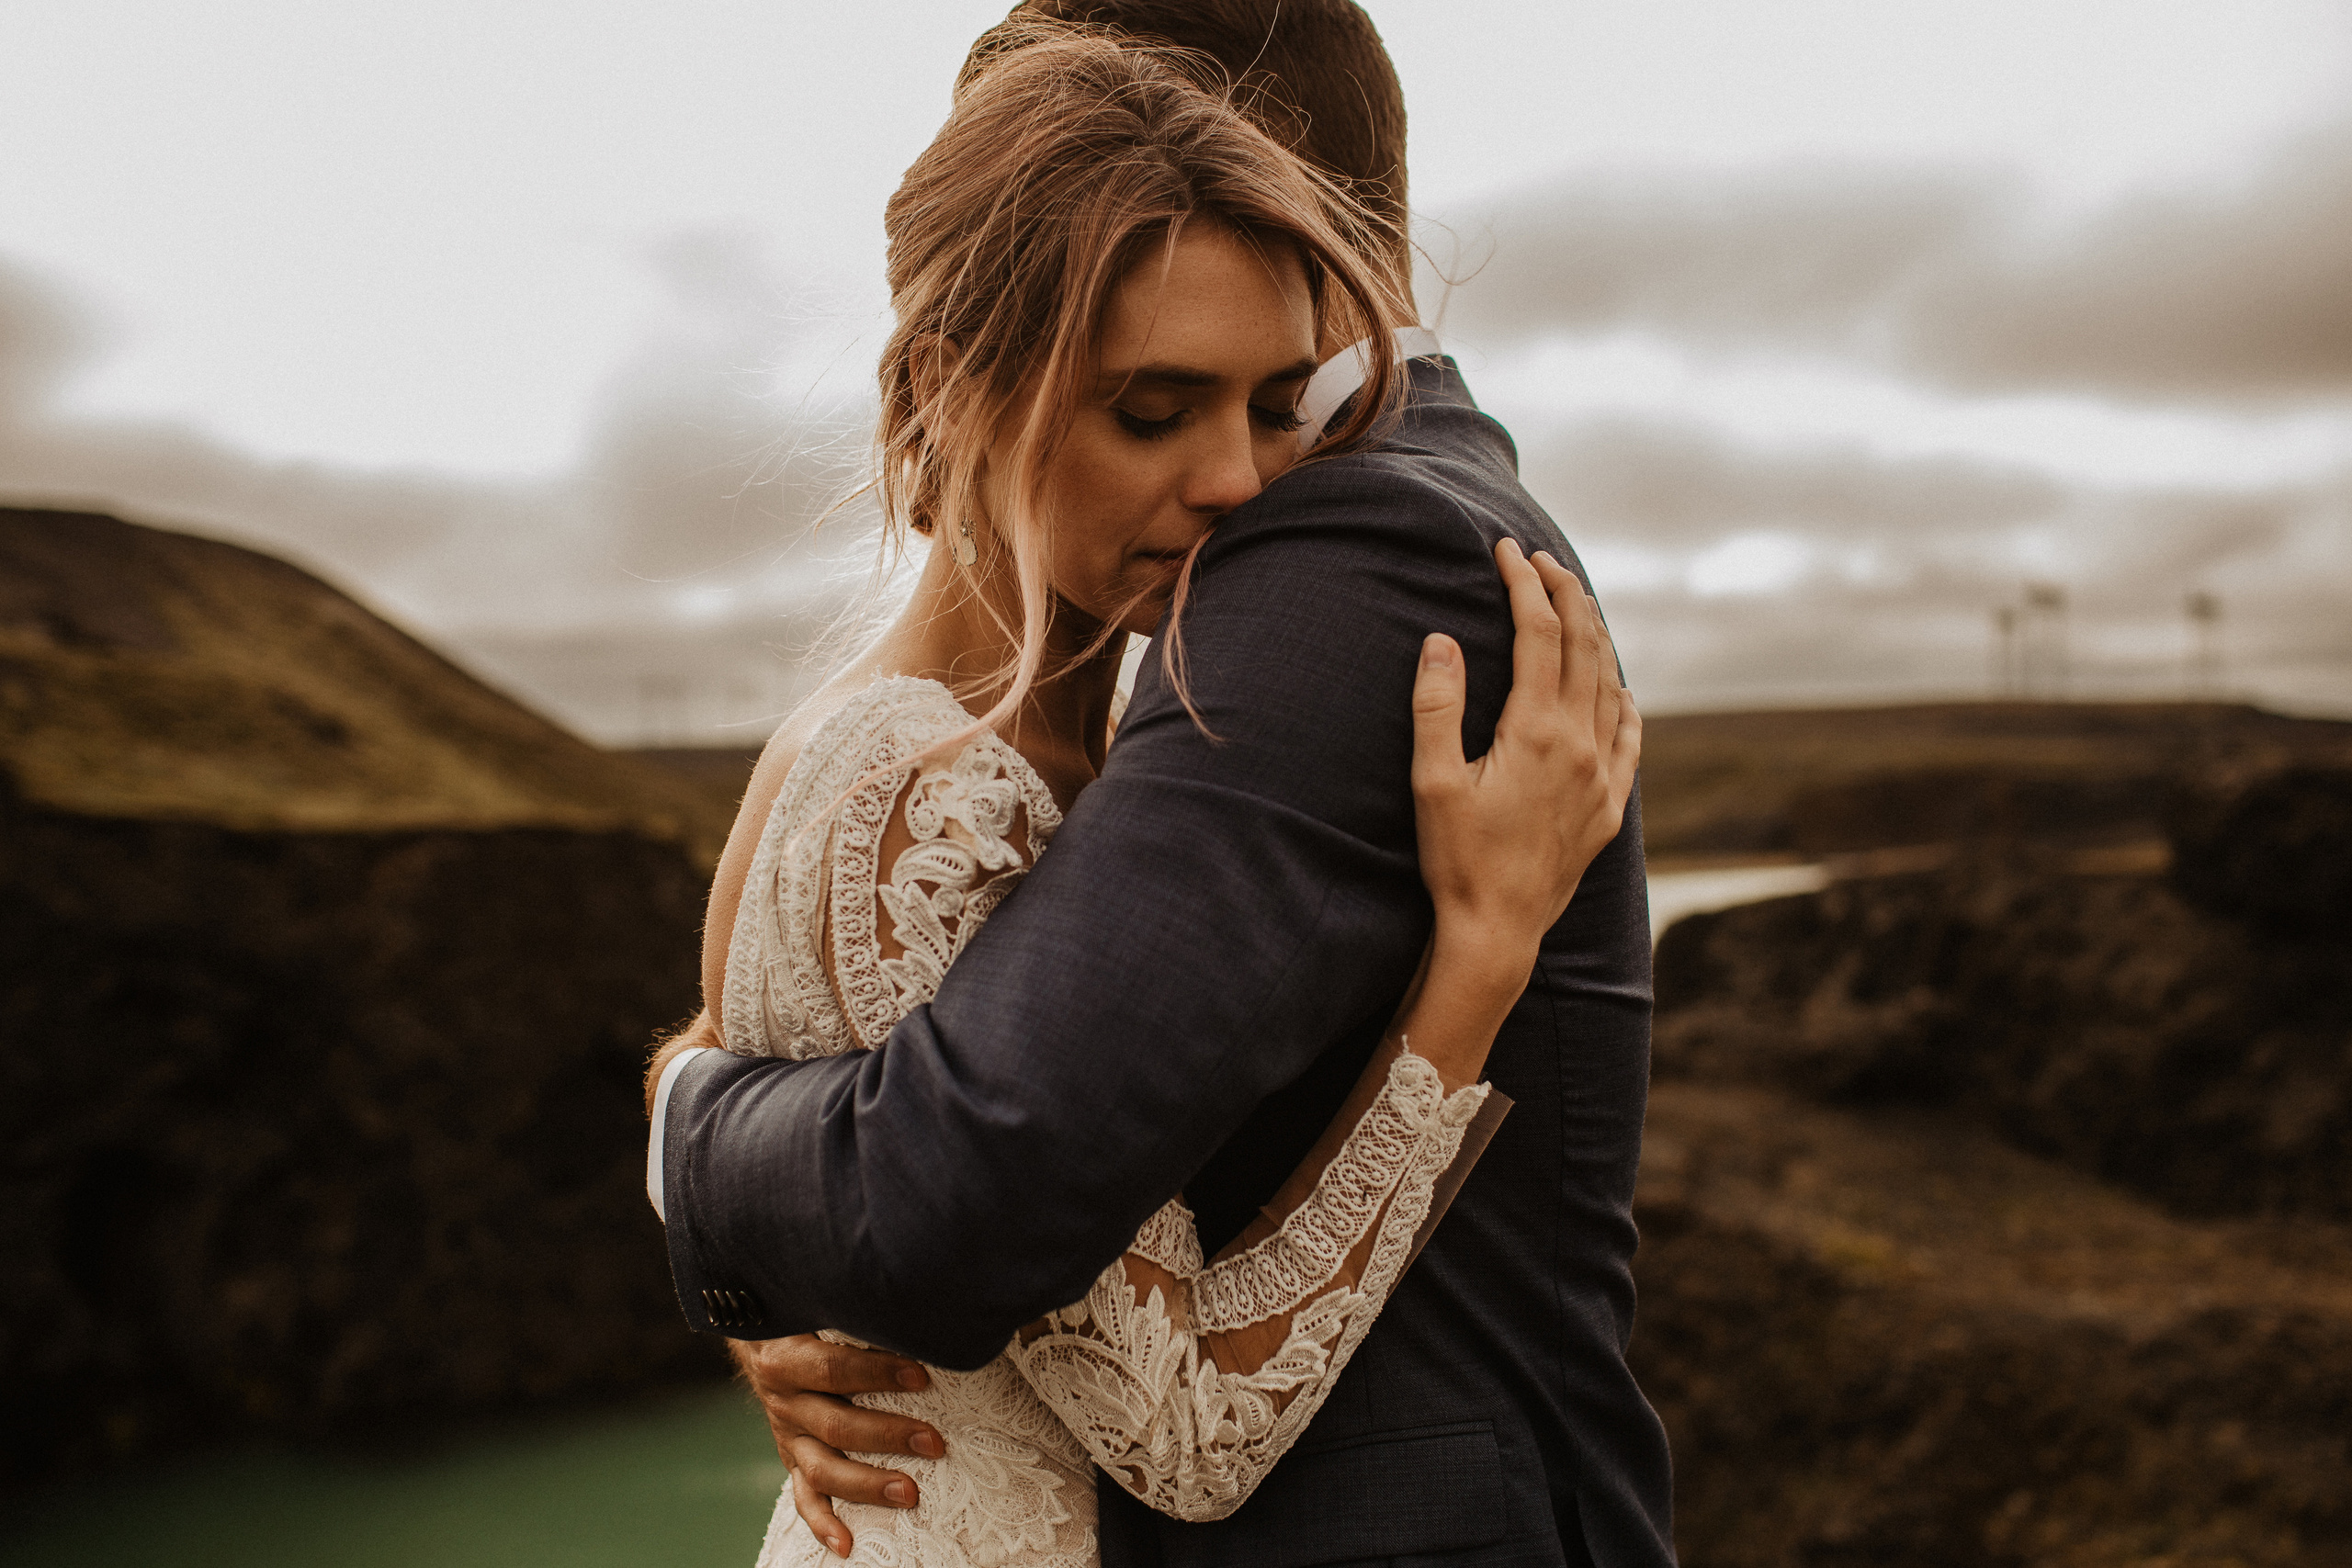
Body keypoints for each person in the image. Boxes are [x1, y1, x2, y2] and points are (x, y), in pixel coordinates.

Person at [652, 6, 1679, 1566]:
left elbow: (943, 1183)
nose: (1237, 480)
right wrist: (1476, 968)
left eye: (1269, 403)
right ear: (960, 383)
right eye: (1154, 406)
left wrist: (694, 1141)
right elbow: (973, 1209)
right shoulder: (918, 764)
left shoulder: (1346, 546)